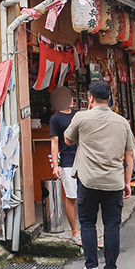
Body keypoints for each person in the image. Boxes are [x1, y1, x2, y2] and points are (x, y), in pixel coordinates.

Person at [63, 80, 135, 269]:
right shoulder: (122, 122)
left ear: (90, 98)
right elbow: (129, 155)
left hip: (87, 180)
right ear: (110, 98)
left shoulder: (81, 117)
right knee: (112, 224)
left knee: (87, 223)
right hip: (113, 181)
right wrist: (127, 182)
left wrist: (86, 114)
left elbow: (68, 140)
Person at [48, 86, 81, 246]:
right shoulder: (55, 119)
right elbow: (54, 142)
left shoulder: (78, 115)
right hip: (67, 160)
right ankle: (75, 231)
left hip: (83, 159)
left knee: (87, 196)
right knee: (71, 196)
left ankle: (87, 229)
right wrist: (55, 165)